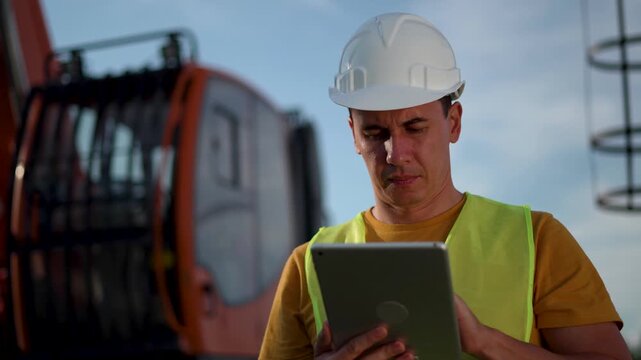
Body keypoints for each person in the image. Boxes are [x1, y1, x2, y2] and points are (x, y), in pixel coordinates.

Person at [259, 12, 631, 360]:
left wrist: (487, 343)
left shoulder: (538, 241)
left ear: (453, 123)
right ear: (354, 136)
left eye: (414, 127)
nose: (395, 154)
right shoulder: (307, 266)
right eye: (375, 133)